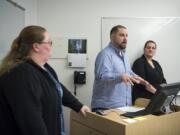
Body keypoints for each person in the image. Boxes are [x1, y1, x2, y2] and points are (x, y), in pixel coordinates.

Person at [0, 25, 90, 135]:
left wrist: (78, 106)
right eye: (49, 42)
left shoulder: (45, 68)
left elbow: (57, 87)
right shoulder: (20, 75)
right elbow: (31, 122)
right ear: (36, 46)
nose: (51, 46)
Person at [91, 25, 147, 111]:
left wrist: (137, 78)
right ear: (112, 37)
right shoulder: (105, 54)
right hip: (106, 108)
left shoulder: (124, 56)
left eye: (126, 35)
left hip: (124, 106)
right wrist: (120, 76)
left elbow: (128, 72)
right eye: (121, 35)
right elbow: (102, 76)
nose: (125, 38)